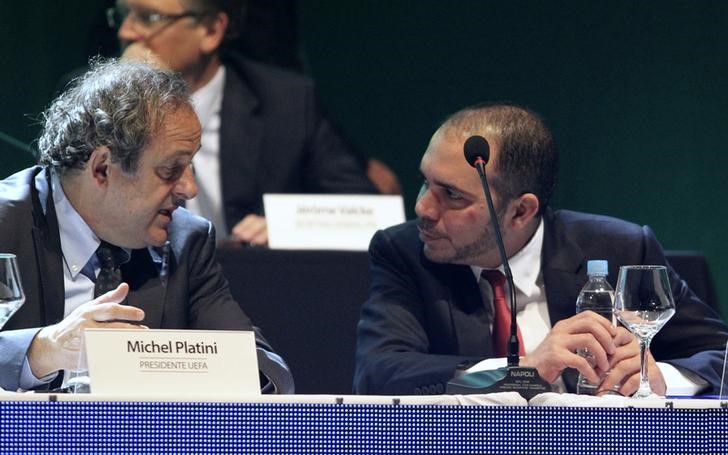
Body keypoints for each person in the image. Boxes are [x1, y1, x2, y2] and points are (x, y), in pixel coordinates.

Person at [354, 102, 728, 396]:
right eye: (425, 182)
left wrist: (659, 376)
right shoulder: (404, 252)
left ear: (521, 210)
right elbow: (379, 372)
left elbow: (720, 354)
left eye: (451, 195)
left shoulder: (622, 249)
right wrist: (522, 371)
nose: (423, 208)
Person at [0, 58, 292, 393]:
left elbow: (267, 372)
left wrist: (179, 365)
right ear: (102, 169)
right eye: (171, 169)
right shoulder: (5, 223)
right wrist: (42, 351)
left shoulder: (186, 241)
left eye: (191, 165)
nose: (190, 188)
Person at [108, 0, 380, 245]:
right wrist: (134, 102)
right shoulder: (98, 103)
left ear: (212, 30)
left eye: (149, 18)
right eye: (123, 14)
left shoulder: (286, 103)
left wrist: (287, 228)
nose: (126, 32)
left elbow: (369, 213)